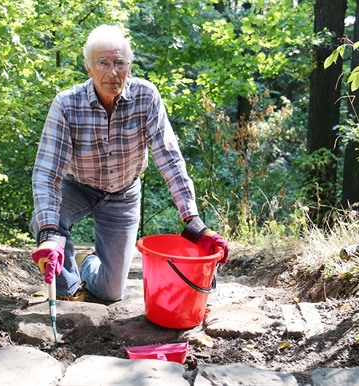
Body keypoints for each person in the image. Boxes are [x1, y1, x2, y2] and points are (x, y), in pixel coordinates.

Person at [30, 24, 228, 302]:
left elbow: (169, 158)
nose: (113, 72)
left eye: (120, 63)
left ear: (129, 67)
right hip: (78, 186)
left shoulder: (146, 98)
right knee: (45, 220)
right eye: (103, 63)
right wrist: (49, 233)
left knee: (112, 293)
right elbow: (47, 174)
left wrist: (192, 220)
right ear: (89, 68)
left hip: (123, 192)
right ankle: (70, 287)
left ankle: (90, 265)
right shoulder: (66, 104)